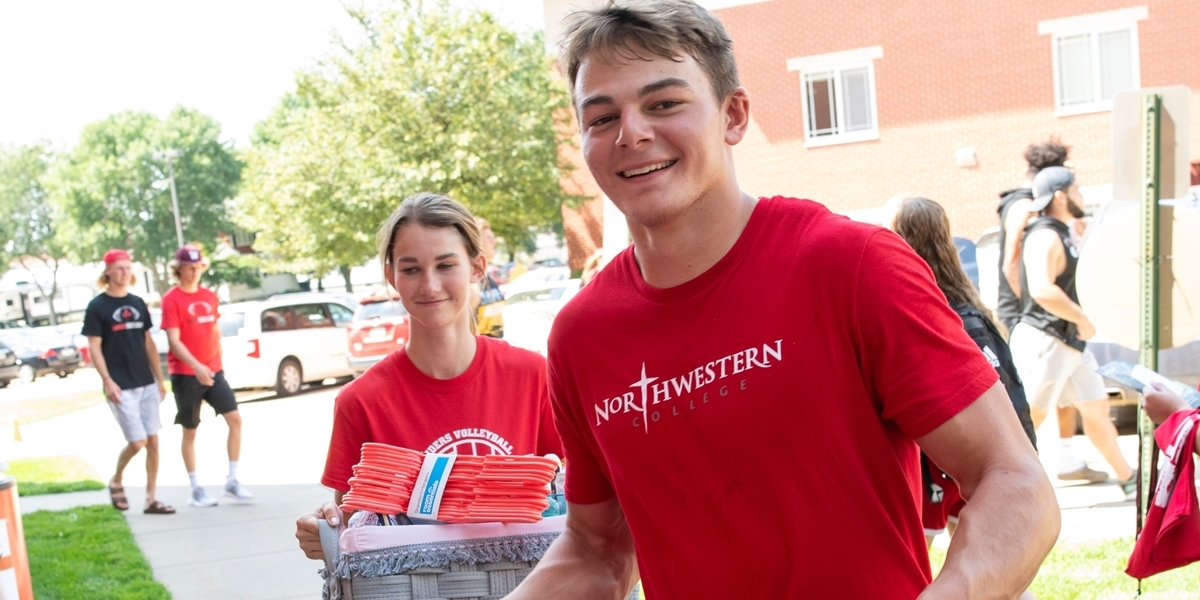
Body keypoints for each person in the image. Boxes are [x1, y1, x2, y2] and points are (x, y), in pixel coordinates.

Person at [507, 2, 1058, 598]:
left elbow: (1015, 483)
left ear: (734, 115)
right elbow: (597, 547)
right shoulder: (582, 334)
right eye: (601, 116)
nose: (631, 133)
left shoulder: (851, 265)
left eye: (664, 103)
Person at [295, 193, 561, 560]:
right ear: (391, 277)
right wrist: (324, 529)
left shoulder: (534, 377)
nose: (430, 285)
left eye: (446, 265)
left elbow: (576, 498)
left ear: (478, 267)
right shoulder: (361, 401)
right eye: (411, 269)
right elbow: (355, 533)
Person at [889, 198, 1037, 552]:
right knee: (987, 565)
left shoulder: (931, 314)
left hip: (948, 460)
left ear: (900, 235)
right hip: (975, 458)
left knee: (918, 558)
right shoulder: (967, 309)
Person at [1010, 167, 1137, 500]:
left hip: (1071, 343)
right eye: (1076, 189)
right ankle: (1008, 491)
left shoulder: (1063, 232)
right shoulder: (1044, 234)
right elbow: (1041, 288)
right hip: (1045, 340)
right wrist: (1082, 318)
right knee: (1028, 421)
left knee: (1096, 409)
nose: (1081, 195)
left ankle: (1128, 478)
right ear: (1061, 195)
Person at [995, 140, 1096, 482]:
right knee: (1032, 401)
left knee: (1067, 393)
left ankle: (1066, 460)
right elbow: (1012, 262)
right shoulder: (1025, 207)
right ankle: (1010, 473)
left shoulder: (1056, 215)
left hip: (1050, 314)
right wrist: (1033, 309)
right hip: (1028, 313)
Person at [83, 249, 174, 515]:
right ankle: (117, 479)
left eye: (128, 268)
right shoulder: (97, 306)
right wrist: (107, 380)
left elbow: (147, 341)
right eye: (119, 268)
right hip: (120, 385)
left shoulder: (137, 302)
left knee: (153, 441)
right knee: (137, 442)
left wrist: (160, 379)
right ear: (107, 272)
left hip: (146, 382)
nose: (124, 272)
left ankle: (151, 499)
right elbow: (94, 346)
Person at [161, 245, 253, 507]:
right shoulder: (171, 299)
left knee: (235, 419)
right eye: (189, 267)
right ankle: (195, 488)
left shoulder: (208, 296)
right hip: (186, 374)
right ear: (178, 269)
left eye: (197, 266)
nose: (193, 271)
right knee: (190, 431)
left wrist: (215, 360)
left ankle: (232, 481)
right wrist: (196, 366)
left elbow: (214, 329)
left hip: (213, 370)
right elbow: (174, 340)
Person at [474, 217, 505, 338]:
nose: (494, 241)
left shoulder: (489, 278)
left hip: (495, 348)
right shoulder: (471, 283)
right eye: (488, 237)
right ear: (477, 242)